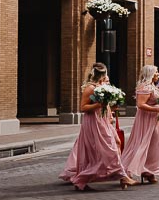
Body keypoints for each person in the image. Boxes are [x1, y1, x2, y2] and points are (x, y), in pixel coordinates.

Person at [59, 62, 137, 191]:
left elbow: (105, 105)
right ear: (102, 75)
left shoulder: (102, 87)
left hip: (103, 120)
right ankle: (120, 176)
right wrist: (99, 105)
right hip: (94, 122)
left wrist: (111, 107)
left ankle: (119, 175)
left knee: (116, 143)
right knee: (108, 148)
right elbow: (83, 107)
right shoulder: (90, 88)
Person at [121, 64, 159, 185]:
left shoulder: (153, 86)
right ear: (150, 74)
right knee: (140, 144)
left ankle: (148, 171)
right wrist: (158, 110)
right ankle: (124, 173)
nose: (158, 74)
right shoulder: (145, 87)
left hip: (155, 121)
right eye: (156, 72)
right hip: (146, 120)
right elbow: (141, 105)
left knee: (155, 145)